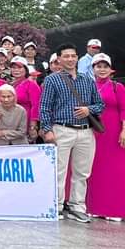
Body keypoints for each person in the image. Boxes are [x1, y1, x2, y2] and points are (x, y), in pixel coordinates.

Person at [39, 43, 104, 223]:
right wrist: (47, 130)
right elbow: (44, 107)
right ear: (59, 59)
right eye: (66, 56)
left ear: (77, 57)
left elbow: (100, 104)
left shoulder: (87, 80)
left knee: (82, 173)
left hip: (85, 131)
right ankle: (57, 205)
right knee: (59, 171)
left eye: (73, 56)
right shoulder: (52, 80)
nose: (70, 59)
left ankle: (77, 206)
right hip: (62, 129)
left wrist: (88, 109)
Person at [84, 53, 125, 221]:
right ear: (93, 69)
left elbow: (124, 109)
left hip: (113, 132)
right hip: (93, 131)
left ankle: (116, 209)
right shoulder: (88, 87)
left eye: (105, 66)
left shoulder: (117, 87)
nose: (102, 69)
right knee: (94, 169)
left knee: (115, 169)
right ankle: (95, 207)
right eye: (98, 66)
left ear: (110, 69)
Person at [8, 57, 41, 142]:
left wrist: (33, 126)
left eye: (19, 67)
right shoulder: (10, 85)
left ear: (25, 69)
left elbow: (36, 105)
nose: (16, 70)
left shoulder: (31, 84)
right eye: (13, 68)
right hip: (11, 122)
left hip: (25, 121)